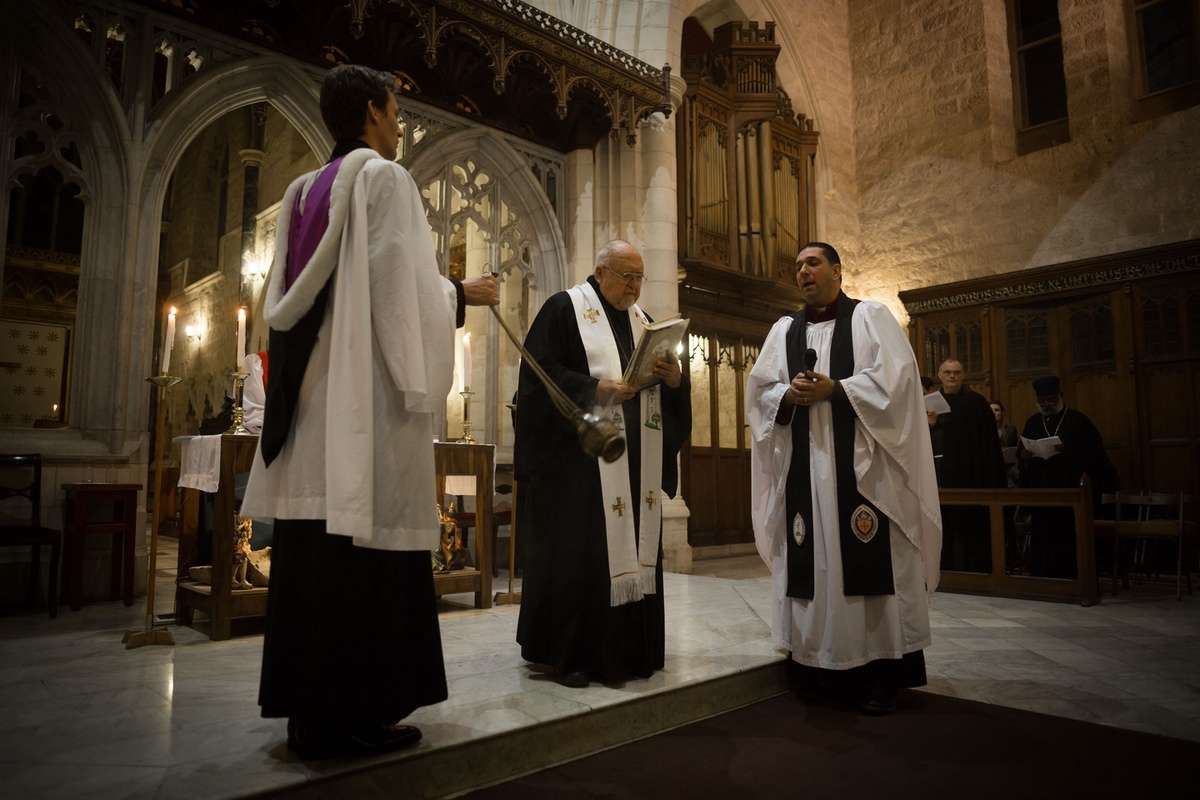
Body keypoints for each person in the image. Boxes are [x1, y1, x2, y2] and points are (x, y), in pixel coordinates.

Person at [241, 64, 498, 759]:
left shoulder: (301, 192)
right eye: (395, 109)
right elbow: (401, 288)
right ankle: (355, 715)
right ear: (373, 113)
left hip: (315, 401)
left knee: (314, 562)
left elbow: (289, 307)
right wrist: (460, 295)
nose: (400, 122)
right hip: (365, 402)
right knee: (365, 553)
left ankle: (311, 716)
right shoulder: (384, 179)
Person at [747, 242, 941, 715]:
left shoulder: (871, 318)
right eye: (797, 266)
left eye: (813, 263)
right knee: (813, 564)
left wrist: (838, 389)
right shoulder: (783, 330)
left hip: (862, 470)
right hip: (805, 472)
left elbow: (897, 385)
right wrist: (787, 396)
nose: (803, 272)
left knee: (868, 564)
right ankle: (816, 668)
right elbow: (760, 391)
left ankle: (880, 676)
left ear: (837, 270)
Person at [514, 240, 691, 688]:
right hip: (579, 469)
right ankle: (572, 656)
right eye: (626, 275)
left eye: (639, 277)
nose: (634, 286)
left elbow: (663, 390)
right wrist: (594, 389)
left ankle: (634, 650)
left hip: (634, 465)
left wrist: (674, 380)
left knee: (633, 546)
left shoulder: (644, 322)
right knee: (581, 557)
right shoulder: (564, 310)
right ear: (601, 271)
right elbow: (537, 376)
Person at [1018, 375, 1117, 578]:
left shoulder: (1078, 421)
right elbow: (1022, 452)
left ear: (1060, 396)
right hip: (1041, 492)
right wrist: (1026, 454)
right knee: (1042, 535)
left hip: (1069, 490)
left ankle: (1073, 577)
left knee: (1067, 537)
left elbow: (1095, 456)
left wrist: (1068, 450)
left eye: (1051, 400)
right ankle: (1042, 576)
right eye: (1042, 401)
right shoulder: (1033, 422)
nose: (1046, 404)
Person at [931, 359, 1006, 573]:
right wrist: (930, 426)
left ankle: (975, 572)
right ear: (940, 375)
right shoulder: (930, 403)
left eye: (957, 372)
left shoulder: (976, 402)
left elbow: (988, 443)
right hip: (941, 476)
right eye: (947, 372)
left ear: (963, 375)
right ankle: (943, 571)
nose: (952, 376)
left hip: (970, 475)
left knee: (971, 527)